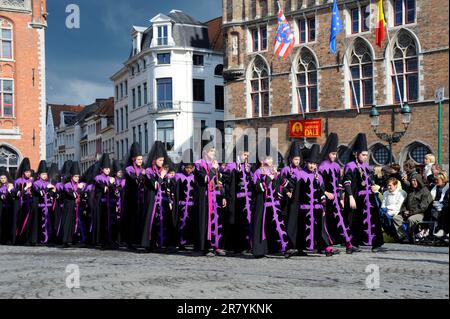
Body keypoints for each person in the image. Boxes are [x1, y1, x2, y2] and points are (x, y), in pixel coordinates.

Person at [343, 133, 385, 252]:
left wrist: (374, 186)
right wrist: (350, 196)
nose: (365, 157)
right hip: (357, 197)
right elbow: (347, 182)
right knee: (355, 221)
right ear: (356, 154)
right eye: (363, 154)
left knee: (373, 220)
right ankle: (353, 244)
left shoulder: (366, 166)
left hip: (369, 198)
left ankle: (375, 243)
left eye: (367, 155)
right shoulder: (350, 166)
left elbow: (370, 181)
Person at [319, 133, 355, 254]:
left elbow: (339, 183)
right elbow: (318, 184)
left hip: (335, 200)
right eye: (333, 154)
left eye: (335, 154)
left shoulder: (336, 166)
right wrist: (325, 192)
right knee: (326, 223)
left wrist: (340, 197)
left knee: (340, 220)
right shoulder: (322, 167)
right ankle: (326, 245)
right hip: (325, 200)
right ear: (327, 153)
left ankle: (348, 243)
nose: (334, 156)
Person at [251, 140, 288, 259]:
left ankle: (282, 247)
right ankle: (261, 250)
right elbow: (257, 188)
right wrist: (268, 179)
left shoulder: (273, 170)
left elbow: (279, 186)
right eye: (268, 158)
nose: (271, 161)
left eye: (272, 158)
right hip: (263, 204)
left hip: (274, 203)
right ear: (262, 160)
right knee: (262, 228)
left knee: (277, 226)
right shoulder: (257, 172)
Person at [194, 145, 227, 257]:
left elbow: (219, 181)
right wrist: (213, 169)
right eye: (211, 151)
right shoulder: (199, 164)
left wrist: (223, 196)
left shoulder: (215, 163)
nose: (213, 153)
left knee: (217, 222)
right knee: (206, 222)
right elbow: (204, 180)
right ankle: (206, 247)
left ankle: (216, 246)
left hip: (215, 197)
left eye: (214, 150)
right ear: (205, 152)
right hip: (204, 198)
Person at [222, 142, 254, 254]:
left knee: (245, 223)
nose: (247, 157)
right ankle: (233, 247)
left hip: (247, 200)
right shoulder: (231, 166)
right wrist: (224, 196)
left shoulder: (249, 166)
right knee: (234, 223)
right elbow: (224, 183)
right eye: (245, 155)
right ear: (240, 154)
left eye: (248, 155)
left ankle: (246, 245)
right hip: (234, 200)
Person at [279, 141, 307, 258]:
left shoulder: (302, 171)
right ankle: (288, 247)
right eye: (295, 159)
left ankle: (299, 247)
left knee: (300, 224)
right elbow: (280, 184)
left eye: (298, 159)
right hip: (288, 203)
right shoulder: (285, 170)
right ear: (291, 159)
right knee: (289, 224)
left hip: (299, 202)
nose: (297, 161)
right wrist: (287, 192)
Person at [142, 141, 171, 250]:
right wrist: (161, 176)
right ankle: (150, 243)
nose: (162, 162)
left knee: (162, 221)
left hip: (162, 200)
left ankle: (162, 242)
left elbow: (165, 186)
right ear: (155, 160)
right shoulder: (149, 171)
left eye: (163, 160)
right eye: (160, 160)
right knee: (152, 221)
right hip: (152, 200)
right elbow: (155, 185)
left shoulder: (162, 170)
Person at [122, 143, 147, 250]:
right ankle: (129, 242)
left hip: (140, 199)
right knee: (130, 220)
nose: (140, 161)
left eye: (141, 159)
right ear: (133, 159)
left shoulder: (143, 169)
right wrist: (142, 175)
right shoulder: (129, 169)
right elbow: (135, 180)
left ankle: (138, 240)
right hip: (131, 199)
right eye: (138, 159)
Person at [394, 175, 433, 242]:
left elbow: (423, 207)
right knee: (396, 218)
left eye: (415, 180)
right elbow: (404, 203)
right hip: (409, 212)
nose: (413, 182)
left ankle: (411, 235)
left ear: (419, 181)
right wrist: (404, 211)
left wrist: (410, 212)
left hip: (421, 214)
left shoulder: (425, 191)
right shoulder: (411, 191)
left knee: (411, 219)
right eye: (412, 180)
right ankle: (404, 236)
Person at [60, 162, 89, 247]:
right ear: (71, 176)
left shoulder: (79, 184)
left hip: (77, 207)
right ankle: (65, 240)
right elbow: (73, 195)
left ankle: (74, 239)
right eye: (75, 176)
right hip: (69, 206)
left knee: (75, 223)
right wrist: (79, 189)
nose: (77, 178)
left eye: (78, 176)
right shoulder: (67, 185)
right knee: (68, 223)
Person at [173, 150, 197, 249]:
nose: (188, 170)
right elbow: (177, 191)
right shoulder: (179, 177)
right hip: (182, 205)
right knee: (181, 224)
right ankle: (181, 242)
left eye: (190, 168)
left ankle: (189, 242)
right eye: (187, 168)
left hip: (191, 205)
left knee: (190, 225)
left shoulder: (194, 177)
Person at [93, 154, 118, 249]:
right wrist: (111, 184)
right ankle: (103, 242)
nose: (108, 170)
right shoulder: (98, 178)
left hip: (110, 204)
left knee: (112, 223)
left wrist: (113, 185)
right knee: (103, 223)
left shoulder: (111, 178)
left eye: (109, 169)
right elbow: (104, 189)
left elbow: (114, 191)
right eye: (106, 169)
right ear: (102, 169)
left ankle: (111, 240)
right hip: (102, 204)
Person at [31, 160, 57, 245]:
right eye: (43, 174)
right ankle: (39, 239)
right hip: (39, 206)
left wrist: (54, 190)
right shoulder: (35, 183)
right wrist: (47, 188)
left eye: (45, 174)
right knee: (39, 223)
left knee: (49, 223)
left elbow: (51, 195)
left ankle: (49, 239)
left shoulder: (48, 183)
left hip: (48, 206)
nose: (44, 176)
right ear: (39, 175)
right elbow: (40, 193)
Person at [13, 158, 34, 245]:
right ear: (23, 172)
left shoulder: (32, 181)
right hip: (21, 205)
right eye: (26, 172)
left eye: (29, 172)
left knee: (30, 222)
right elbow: (17, 194)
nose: (28, 173)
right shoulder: (18, 181)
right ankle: (21, 239)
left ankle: (29, 239)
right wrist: (25, 188)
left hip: (30, 204)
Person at [430, 172, 449, 238]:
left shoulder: (447, 188)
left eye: (437, 180)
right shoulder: (435, 188)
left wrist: (441, 203)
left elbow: (447, 200)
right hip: (436, 207)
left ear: (443, 180)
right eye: (435, 180)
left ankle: (442, 230)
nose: (436, 181)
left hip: (444, 207)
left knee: (444, 210)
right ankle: (430, 231)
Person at [0, 167, 15, 244]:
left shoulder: (11, 185)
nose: (2, 179)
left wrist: (10, 190)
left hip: (9, 208)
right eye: (1, 178)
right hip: (1, 208)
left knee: (9, 223)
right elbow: (2, 197)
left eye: (4, 178)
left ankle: (8, 239)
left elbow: (14, 196)